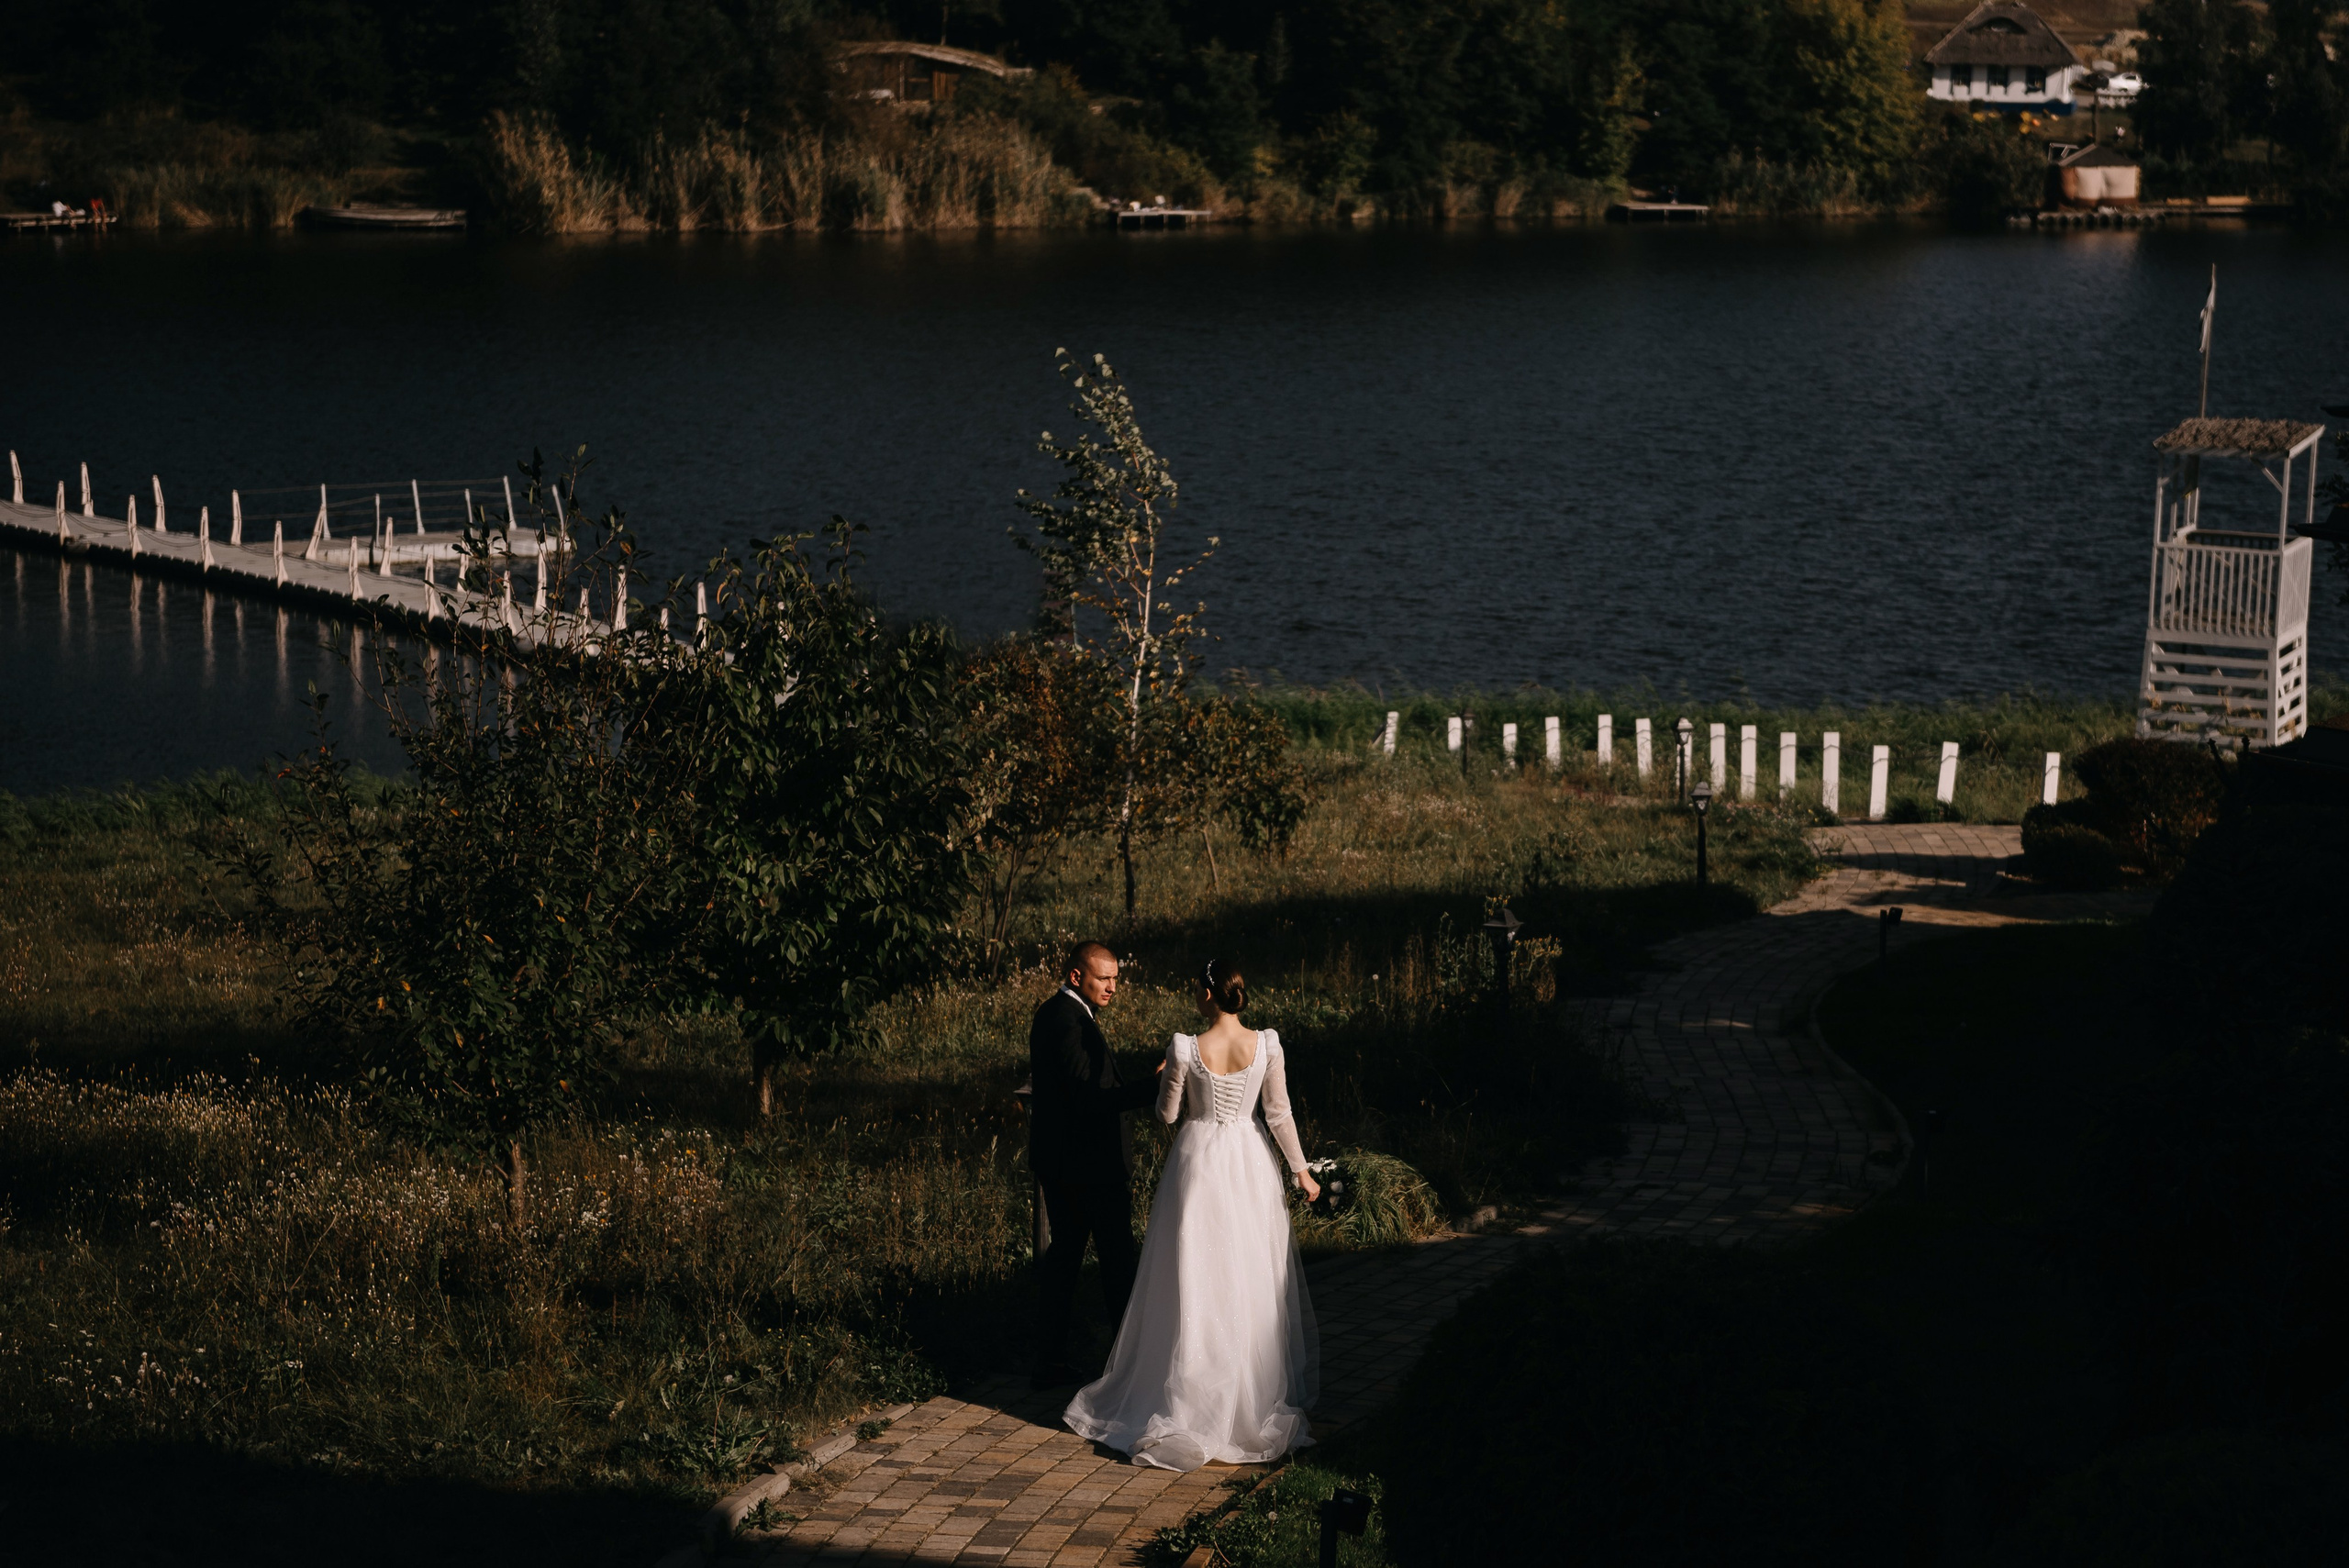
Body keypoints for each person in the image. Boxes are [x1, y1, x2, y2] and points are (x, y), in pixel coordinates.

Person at [1064, 957, 1322, 1472]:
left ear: (1206, 995)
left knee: (1193, 1272)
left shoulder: (1184, 1047)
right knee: (1247, 1276)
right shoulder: (1267, 1044)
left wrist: (1167, 1083)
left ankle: (1189, 1393)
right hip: (1249, 1163)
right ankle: (1246, 1399)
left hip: (1199, 1164)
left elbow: (1165, 1115)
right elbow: (1278, 1112)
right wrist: (1301, 1172)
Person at [1029, 940, 1158, 1390]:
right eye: (1104, 978)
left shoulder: (1063, 1015)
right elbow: (1088, 1099)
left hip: (1071, 1162)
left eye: (1117, 979)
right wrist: (1152, 1087)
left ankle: (1053, 1361)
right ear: (1077, 976)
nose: (1113, 987)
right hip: (1086, 1168)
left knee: (1067, 1261)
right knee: (1115, 1264)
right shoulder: (1066, 1020)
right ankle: (1128, 1367)